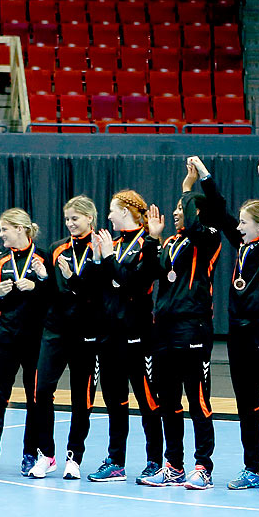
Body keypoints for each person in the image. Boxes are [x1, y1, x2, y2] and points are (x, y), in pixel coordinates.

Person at [200, 160, 259, 492]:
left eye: (245, 222)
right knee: (246, 405)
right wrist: (206, 178)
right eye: (239, 222)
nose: (238, 226)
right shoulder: (241, 245)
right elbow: (220, 211)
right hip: (238, 335)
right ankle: (252, 467)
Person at [140, 159, 225, 489]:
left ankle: (203, 466)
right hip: (163, 330)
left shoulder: (208, 239)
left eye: (181, 208)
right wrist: (152, 239)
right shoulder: (169, 244)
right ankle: (174, 464)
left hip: (194, 329)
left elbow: (193, 218)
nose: (176, 213)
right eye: (177, 207)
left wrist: (188, 189)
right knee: (169, 401)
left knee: (198, 400)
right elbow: (149, 277)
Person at [89, 189, 163, 484]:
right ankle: (116, 461)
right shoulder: (113, 244)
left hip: (137, 335)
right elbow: (101, 288)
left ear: (125, 212)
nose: (107, 216)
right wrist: (97, 260)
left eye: (111, 210)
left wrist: (107, 260)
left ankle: (155, 461)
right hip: (108, 336)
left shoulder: (147, 244)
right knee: (114, 402)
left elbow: (132, 282)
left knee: (148, 401)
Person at [28, 196, 104, 479]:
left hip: (86, 333)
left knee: (80, 398)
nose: (71, 223)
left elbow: (97, 294)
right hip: (55, 330)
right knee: (42, 391)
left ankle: (75, 457)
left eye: (76, 218)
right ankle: (46, 455)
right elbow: (47, 292)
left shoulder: (100, 248)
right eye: (68, 219)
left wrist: (73, 277)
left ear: (90, 219)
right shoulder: (56, 248)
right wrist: (43, 277)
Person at [0, 208, 52, 479]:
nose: (0, 234)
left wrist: (39, 283)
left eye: (4, 229)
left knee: (35, 399)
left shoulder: (44, 257)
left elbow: (54, 297)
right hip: (5, 338)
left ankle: (30, 453)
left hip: (35, 340)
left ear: (20, 229)